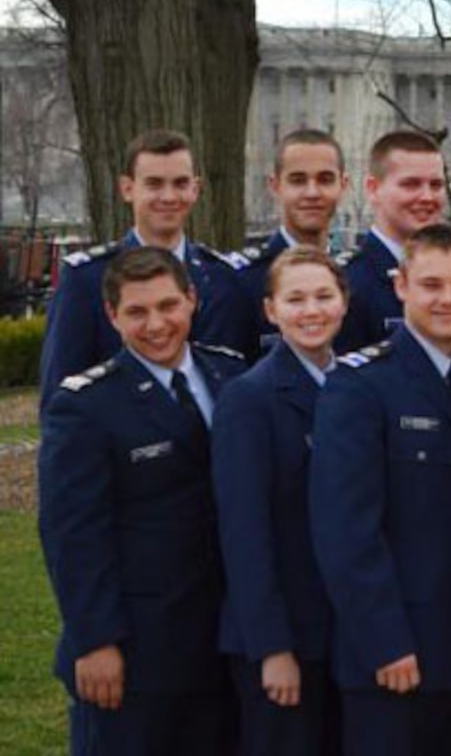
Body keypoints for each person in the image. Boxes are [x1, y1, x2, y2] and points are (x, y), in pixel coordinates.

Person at [40, 246, 246, 755]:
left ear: (192, 300)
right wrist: (95, 640)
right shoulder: (86, 406)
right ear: (112, 316)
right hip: (134, 649)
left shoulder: (232, 378)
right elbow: (73, 534)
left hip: (220, 640)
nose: (157, 324)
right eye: (136, 312)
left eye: (168, 306)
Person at [311, 224, 451, 756]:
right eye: (432, 285)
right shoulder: (360, 386)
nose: (449, 299)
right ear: (401, 285)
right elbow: (346, 533)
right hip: (395, 655)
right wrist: (385, 642)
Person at [213, 248, 351, 756]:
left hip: (346, 634)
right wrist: (272, 647)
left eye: (323, 296)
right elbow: (244, 533)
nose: (311, 311)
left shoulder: (356, 385)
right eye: (295, 299)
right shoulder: (250, 397)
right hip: (284, 636)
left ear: (344, 304)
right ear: (271, 310)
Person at [40, 129, 253, 406]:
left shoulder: (224, 277)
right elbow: (61, 393)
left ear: (195, 189)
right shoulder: (87, 280)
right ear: (127, 189)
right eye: (154, 184)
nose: (168, 196)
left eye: (180, 183)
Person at [336, 132, 448, 354]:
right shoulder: (346, 284)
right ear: (373, 188)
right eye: (411, 184)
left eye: (436, 185)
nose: (427, 197)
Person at [236, 129, 352, 321]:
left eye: (325, 179)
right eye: (298, 181)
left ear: (343, 185)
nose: (312, 193)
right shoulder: (243, 280)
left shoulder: (356, 275)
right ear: (275, 186)